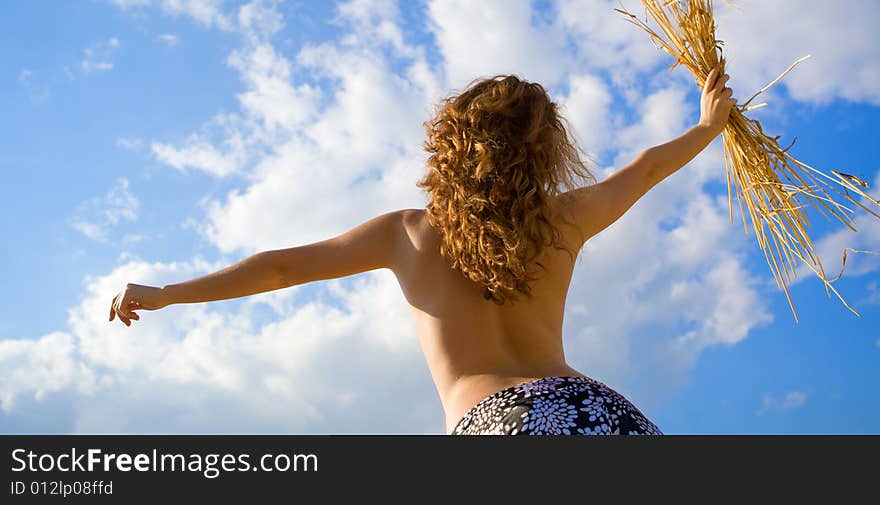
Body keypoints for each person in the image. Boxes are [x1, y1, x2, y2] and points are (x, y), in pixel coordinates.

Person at [109, 66, 736, 435]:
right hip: (597, 412)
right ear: (544, 149)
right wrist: (707, 126)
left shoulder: (406, 233)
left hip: (498, 425)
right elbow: (648, 168)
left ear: (451, 143)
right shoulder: (562, 220)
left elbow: (280, 268)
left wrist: (168, 293)